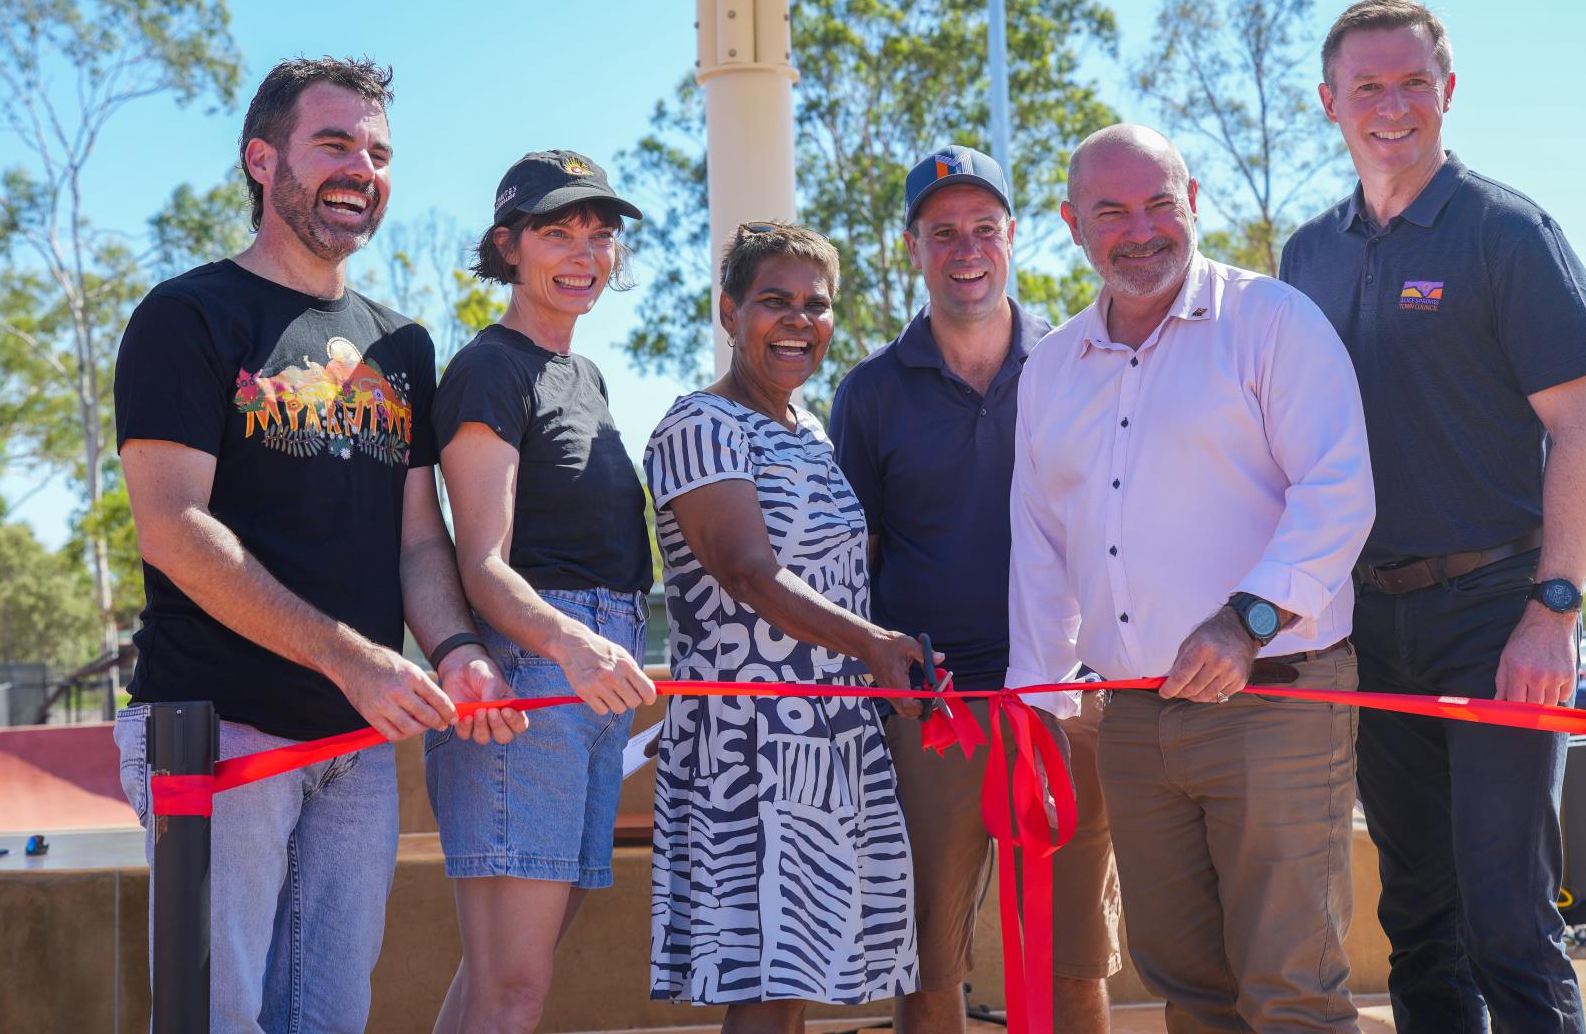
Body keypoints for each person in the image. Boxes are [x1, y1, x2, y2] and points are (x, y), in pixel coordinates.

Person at [111, 56, 525, 1034]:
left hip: (355, 748)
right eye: (334, 142)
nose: (362, 167)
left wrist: (458, 653)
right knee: (219, 1020)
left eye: (379, 152)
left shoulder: (403, 346)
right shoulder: (189, 315)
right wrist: (351, 656)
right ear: (263, 159)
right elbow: (172, 527)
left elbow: (419, 541)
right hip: (221, 731)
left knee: (330, 1020)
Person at [1278, 0, 1586, 1033]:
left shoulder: (1507, 233)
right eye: (1368, 87)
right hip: (1367, 623)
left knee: (1507, 915)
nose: (1393, 107)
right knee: (1415, 913)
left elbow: (1585, 427)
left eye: (1414, 83)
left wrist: (1552, 611)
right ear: (1328, 102)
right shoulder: (1305, 257)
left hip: (1495, 616)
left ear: (1449, 93)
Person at [1008, 124, 1375, 1032]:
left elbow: (1340, 491)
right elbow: (1040, 545)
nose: (1141, 230)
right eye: (1111, 212)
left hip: (1276, 702)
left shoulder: (1273, 322)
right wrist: (1037, 705)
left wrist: (1242, 624)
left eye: (1159, 204)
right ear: (1071, 225)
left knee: (1291, 989)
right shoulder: (1051, 367)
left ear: (1194, 202)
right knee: (1188, 985)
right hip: (1130, 719)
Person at [829, 145, 1121, 1033]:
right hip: (934, 712)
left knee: (1073, 964)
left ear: (1014, 238)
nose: (967, 249)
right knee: (928, 969)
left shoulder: (1083, 362)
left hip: (1069, 703)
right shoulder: (870, 392)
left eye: (984, 229)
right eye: (944, 231)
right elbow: (854, 560)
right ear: (911, 246)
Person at [644, 222, 922, 1032]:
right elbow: (746, 572)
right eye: (774, 301)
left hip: (830, 733)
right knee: (764, 984)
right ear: (729, 310)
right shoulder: (701, 424)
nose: (798, 321)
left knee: (793, 976)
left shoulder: (814, 434)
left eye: (816, 304)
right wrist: (872, 645)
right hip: (749, 741)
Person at [426, 150, 658, 1034]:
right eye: (557, 232)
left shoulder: (586, 376)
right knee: (512, 985)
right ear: (507, 245)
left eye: (599, 236)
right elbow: (482, 564)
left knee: (507, 978)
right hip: (532, 680)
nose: (584, 253)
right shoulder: (492, 368)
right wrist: (572, 643)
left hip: (590, 681)